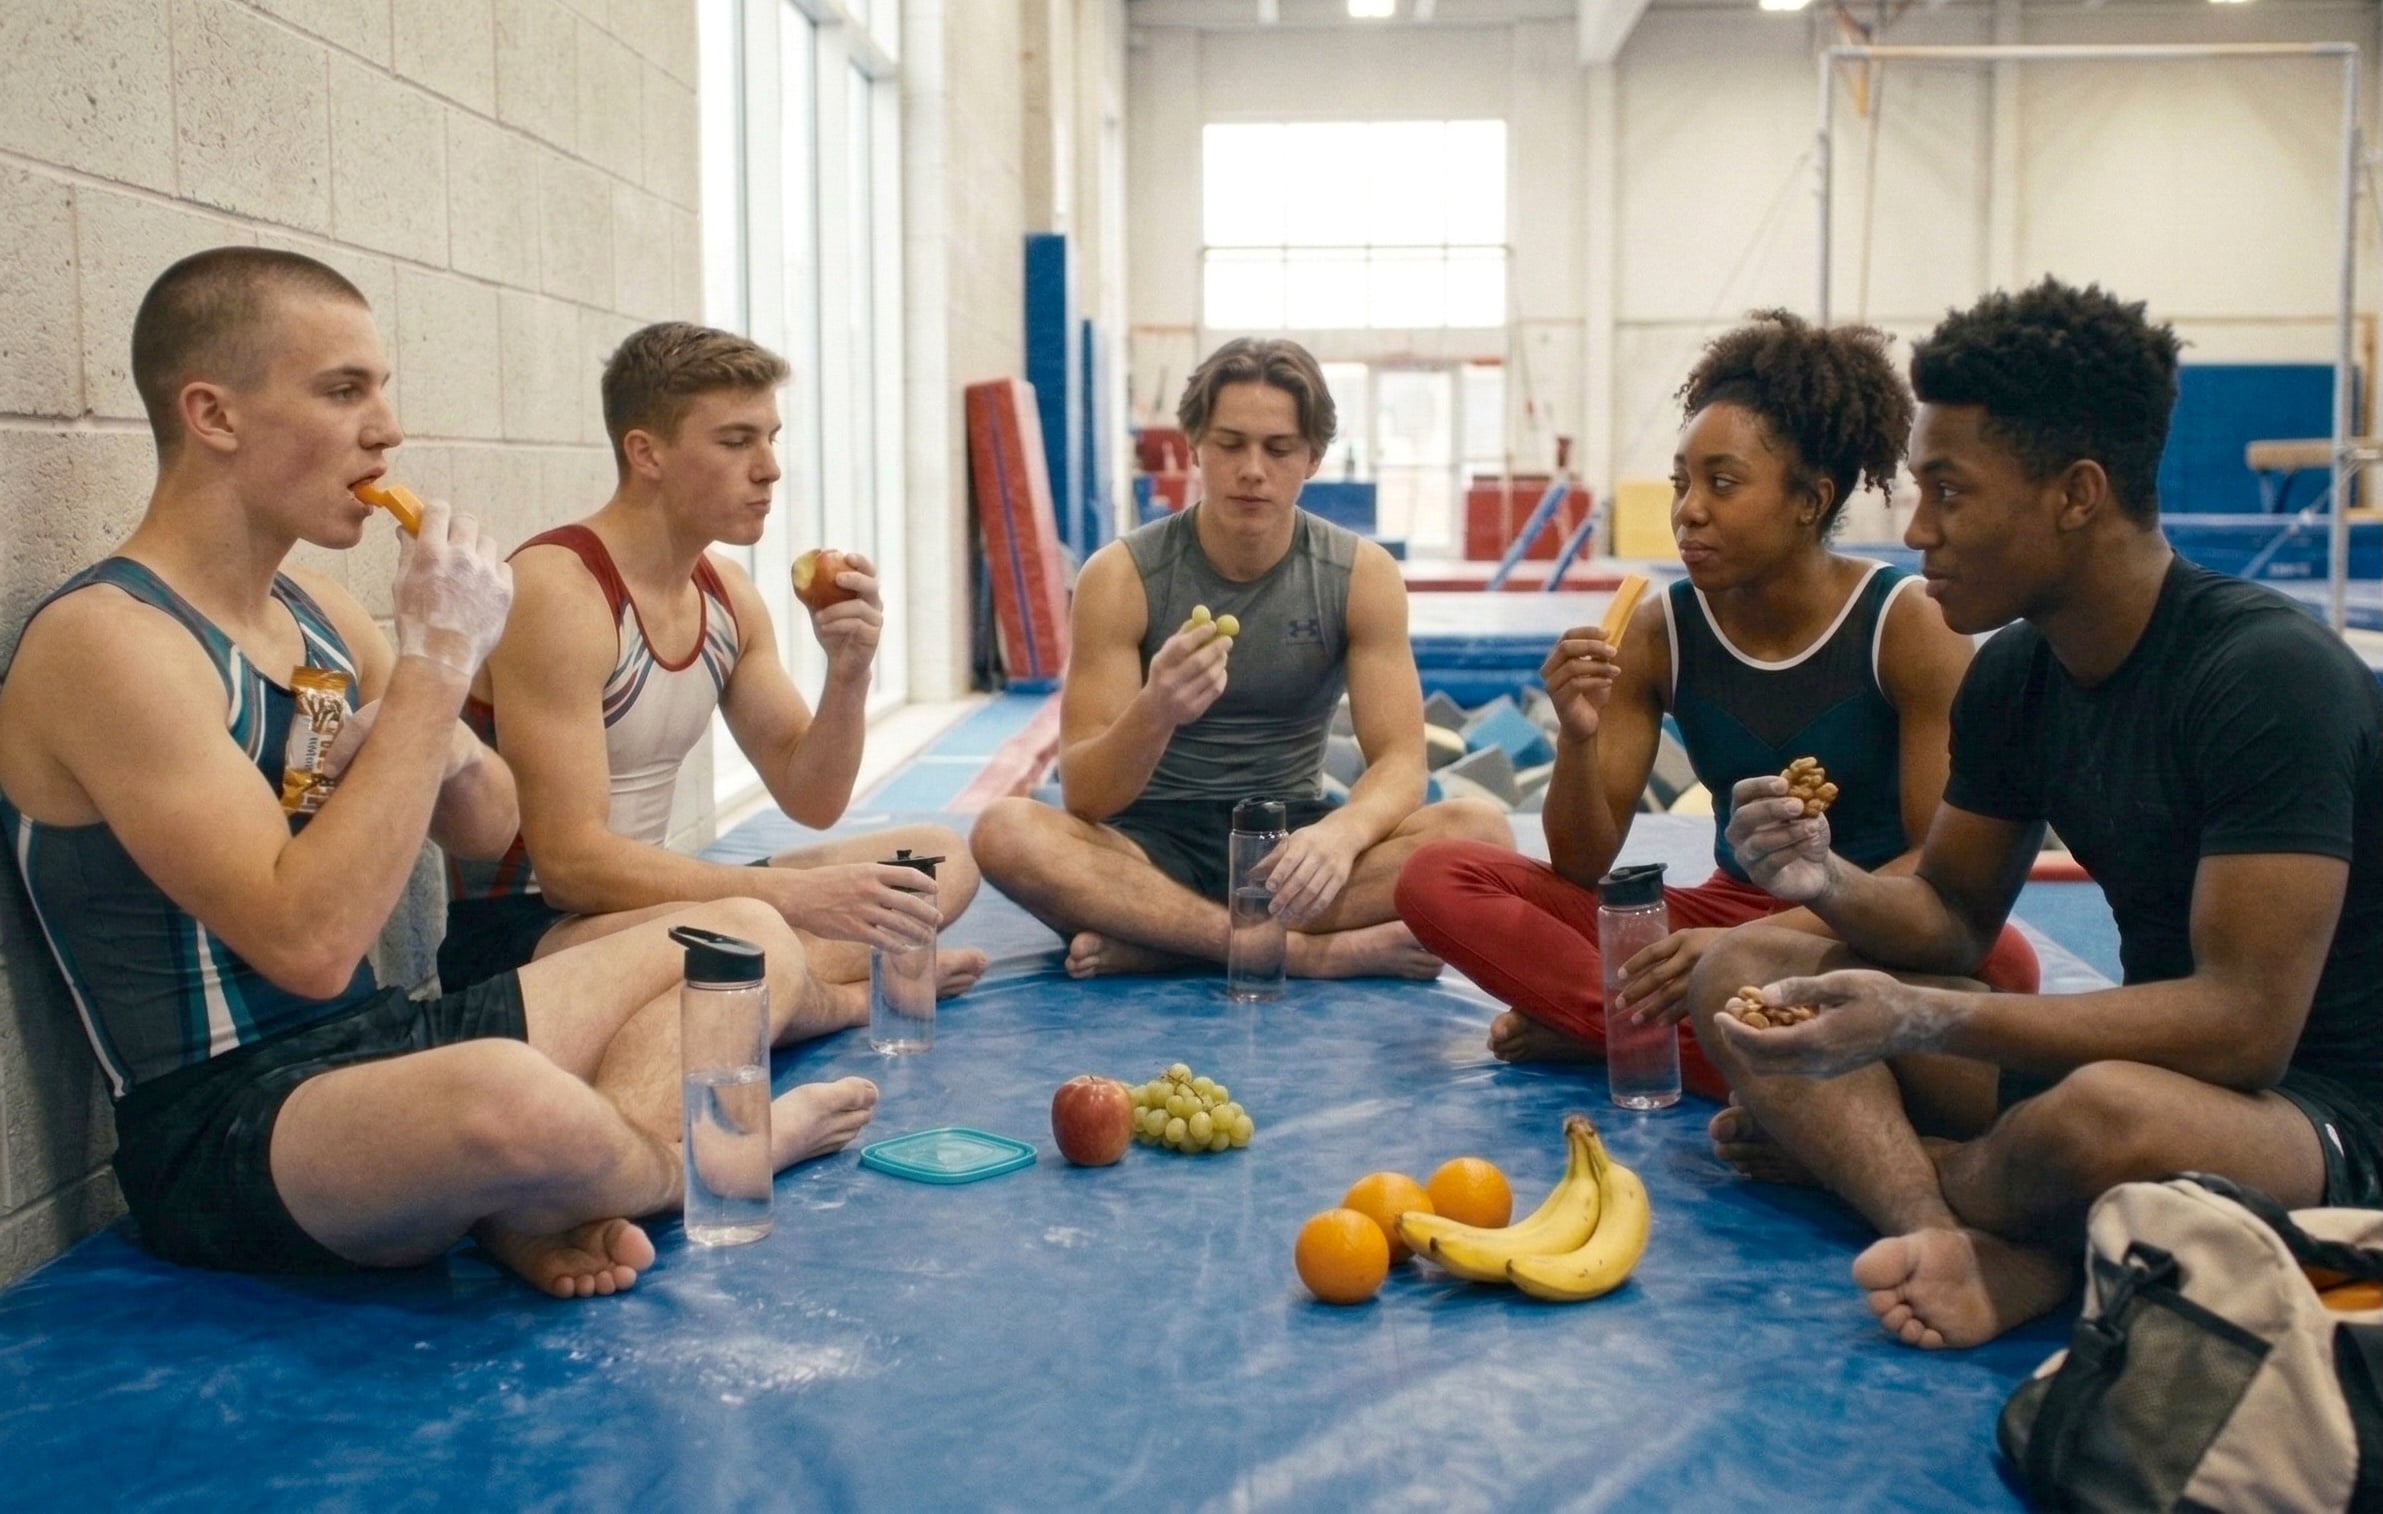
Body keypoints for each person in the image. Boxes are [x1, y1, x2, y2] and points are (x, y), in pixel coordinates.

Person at [0, 249, 877, 1299]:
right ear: (214, 415)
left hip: (384, 1042)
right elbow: (310, 946)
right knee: (505, 1097)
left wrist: (453, 745)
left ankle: (544, 1193)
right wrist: (437, 661)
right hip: (228, 1117)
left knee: (737, 932)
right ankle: (712, 1152)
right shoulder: (108, 641)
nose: (387, 428)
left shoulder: (317, 611)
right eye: (343, 391)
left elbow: (487, 827)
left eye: (380, 387)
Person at [1687, 278, 2383, 1349]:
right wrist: (1828, 882)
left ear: (2076, 493)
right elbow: (1954, 918)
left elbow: (2245, 1026)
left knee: (2103, 1118)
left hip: (2323, 1109)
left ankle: (1932, 1185)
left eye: (1950, 493)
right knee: (1740, 972)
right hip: (2146, 1068)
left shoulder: (2266, 675)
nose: (1917, 529)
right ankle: (1959, 1236)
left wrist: (1923, 1020)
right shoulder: (2016, 674)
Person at [1394, 312, 2038, 1093]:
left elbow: (1933, 873)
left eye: (1721, 484)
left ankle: (1612, 1033)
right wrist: (1576, 734)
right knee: (1439, 877)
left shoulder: (1906, 627)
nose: (1687, 509)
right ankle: (1769, 1056)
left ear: (1809, 500)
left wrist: (1754, 947)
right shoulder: (1658, 631)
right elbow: (1579, 862)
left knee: (2003, 959)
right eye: (1680, 483)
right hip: (1718, 915)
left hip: (1856, 928)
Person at [437, 322, 985, 1018]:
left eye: (771, 438)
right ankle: (835, 1001)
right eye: (735, 441)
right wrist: (786, 899)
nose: (769, 468)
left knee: (938, 859)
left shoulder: (726, 593)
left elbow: (811, 799)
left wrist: (848, 672)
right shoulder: (560, 593)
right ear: (647, 453)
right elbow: (570, 867)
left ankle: (777, 993)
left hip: (656, 913)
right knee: (754, 933)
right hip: (530, 940)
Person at [970, 337, 1510, 980]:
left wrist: (1341, 836)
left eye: (1278, 449)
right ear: (1194, 445)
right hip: (1145, 850)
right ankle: (1300, 953)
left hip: (1290, 844)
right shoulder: (1121, 576)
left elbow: (1400, 759)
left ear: (1312, 457)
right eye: (1230, 444)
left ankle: (1166, 941)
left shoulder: (1360, 574)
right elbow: (1085, 795)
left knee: (1482, 833)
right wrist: (1157, 709)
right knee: (1005, 831)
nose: (1252, 469)